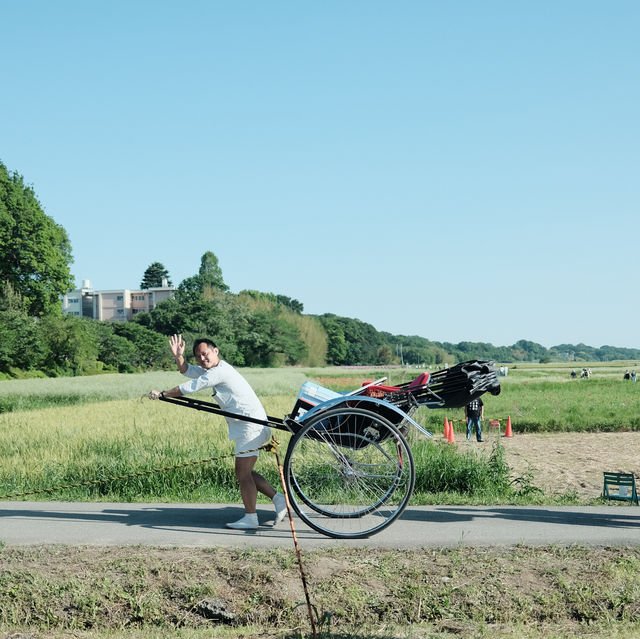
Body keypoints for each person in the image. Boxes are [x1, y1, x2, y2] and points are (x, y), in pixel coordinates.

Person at [150, 334, 287, 530]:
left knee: (242, 473)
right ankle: (278, 499)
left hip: (251, 427)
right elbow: (187, 371)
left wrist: (162, 394)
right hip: (249, 426)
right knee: (245, 472)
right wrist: (178, 356)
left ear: (216, 351)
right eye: (198, 356)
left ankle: (251, 517)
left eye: (205, 354)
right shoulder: (213, 370)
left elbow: (189, 387)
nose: (202, 359)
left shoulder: (219, 371)